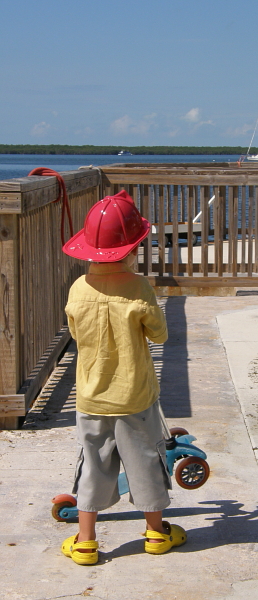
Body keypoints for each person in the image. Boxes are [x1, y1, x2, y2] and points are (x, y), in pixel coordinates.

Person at [60, 190, 186, 565]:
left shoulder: (78, 289)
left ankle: (85, 542)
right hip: (136, 397)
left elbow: (77, 334)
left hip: (92, 396)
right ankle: (156, 534)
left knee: (93, 464)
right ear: (132, 249)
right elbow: (160, 334)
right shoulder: (139, 287)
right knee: (146, 460)